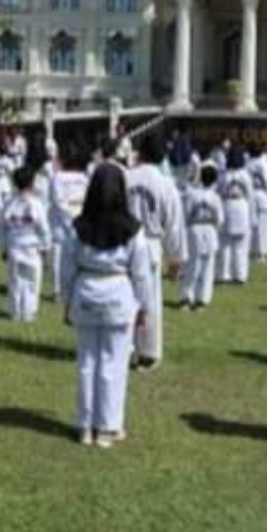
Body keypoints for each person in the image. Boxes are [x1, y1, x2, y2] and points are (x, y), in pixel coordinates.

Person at [59, 162, 154, 448]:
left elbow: (66, 269)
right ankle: (108, 428)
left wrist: (67, 302)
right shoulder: (133, 230)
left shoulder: (77, 227)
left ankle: (85, 426)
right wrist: (145, 307)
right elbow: (142, 273)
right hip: (118, 296)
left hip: (86, 293)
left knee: (87, 362)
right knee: (114, 363)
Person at [125, 135, 187, 370]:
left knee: (126, 295)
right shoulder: (165, 183)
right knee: (149, 300)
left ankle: (125, 346)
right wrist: (175, 260)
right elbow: (174, 224)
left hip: (124, 242)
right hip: (150, 244)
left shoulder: (126, 178)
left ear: (140, 152)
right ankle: (148, 352)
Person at [0, 165, 52, 323]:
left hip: (14, 245)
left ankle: (15, 312)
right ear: (32, 184)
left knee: (15, 281)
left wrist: (4, 247)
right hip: (32, 248)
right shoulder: (37, 204)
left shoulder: (9, 203)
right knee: (32, 282)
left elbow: (1, 227)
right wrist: (46, 249)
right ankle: (28, 313)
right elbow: (44, 229)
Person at [48, 148, 90, 300]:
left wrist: (69, 206)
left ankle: (58, 290)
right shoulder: (83, 178)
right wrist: (75, 204)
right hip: (77, 218)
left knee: (58, 256)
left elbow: (57, 200)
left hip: (61, 221)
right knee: (74, 255)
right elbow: (84, 200)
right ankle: (64, 289)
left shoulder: (58, 177)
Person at [180, 165, 224, 311]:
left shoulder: (192, 194)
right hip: (209, 229)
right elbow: (220, 219)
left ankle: (187, 298)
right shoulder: (215, 197)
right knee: (207, 266)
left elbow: (186, 214)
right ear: (214, 181)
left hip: (194, 229)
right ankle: (202, 300)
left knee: (192, 265)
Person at [217, 146, 254, 285]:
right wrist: (252, 216)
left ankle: (224, 275)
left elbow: (218, 193)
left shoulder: (224, 175)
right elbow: (250, 195)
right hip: (242, 206)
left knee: (225, 244)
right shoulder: (245, 175)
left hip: (227, 205)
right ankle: (240, 275)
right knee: (241, 245)